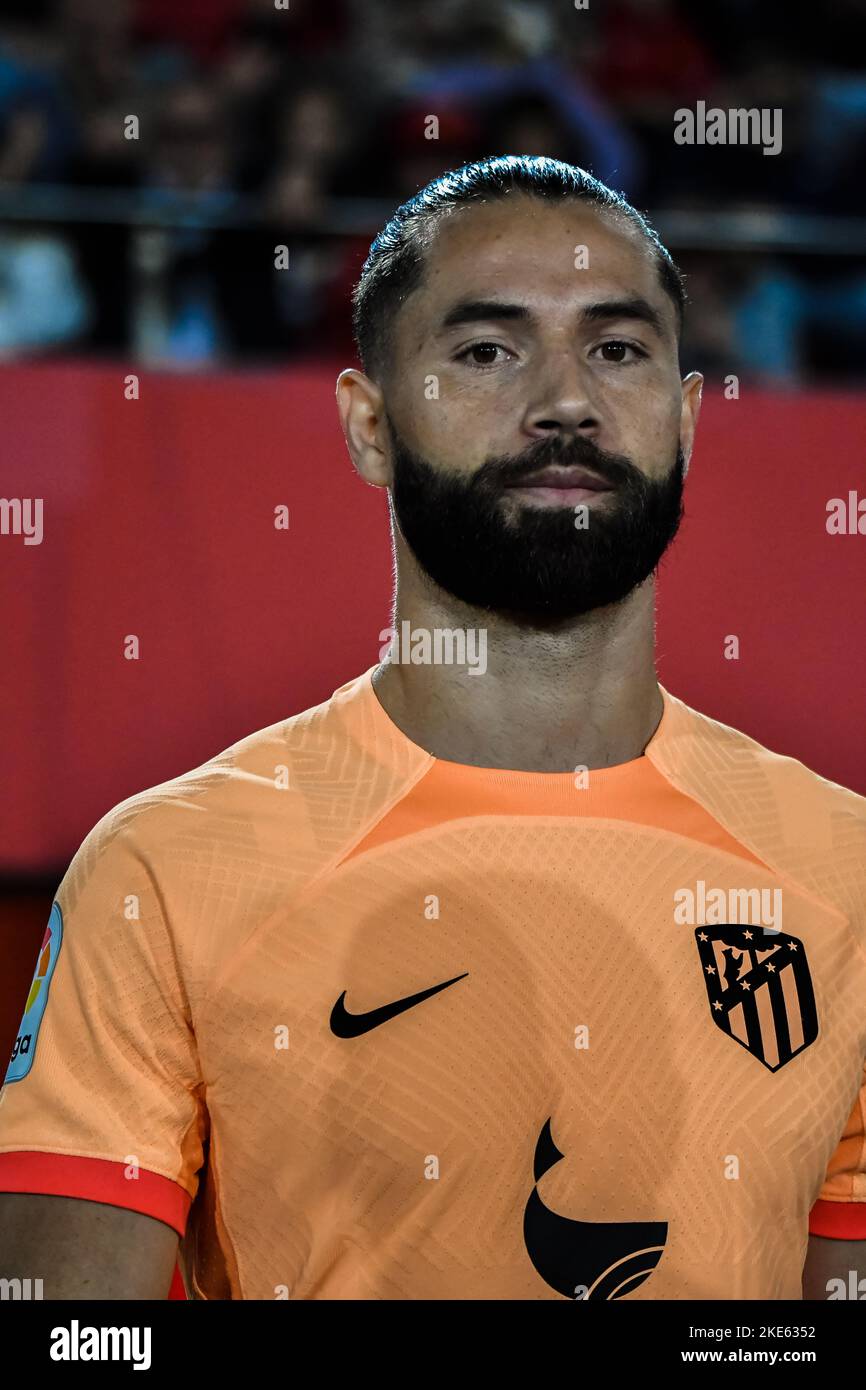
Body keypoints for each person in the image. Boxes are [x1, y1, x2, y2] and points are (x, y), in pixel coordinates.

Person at [0, 155, 864, 1300]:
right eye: (485, 351)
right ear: (369, 424)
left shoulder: (841, 868)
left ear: (687, 418)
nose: (565, 400)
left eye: (615, 348)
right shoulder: (162, 868)